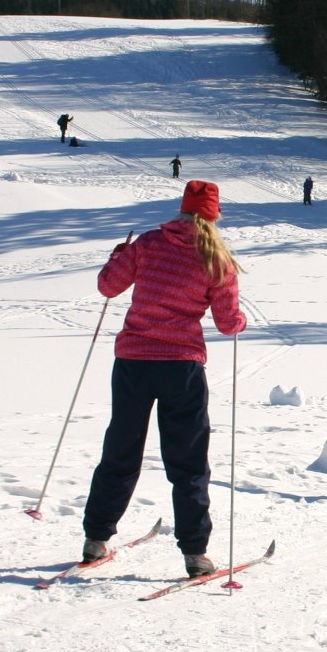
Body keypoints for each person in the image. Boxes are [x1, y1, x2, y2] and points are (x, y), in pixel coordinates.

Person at [81, 180, 246, 578]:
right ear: (214, 215)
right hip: (181, 367)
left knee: (121, 449)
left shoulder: (148, 244)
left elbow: (108, 286)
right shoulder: (216, 259)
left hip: (133, 363)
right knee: (188, 462)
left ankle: (96, 537)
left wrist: (118, 255)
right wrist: (240, 320)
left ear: (182, 209)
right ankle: (195, 553)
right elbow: (228, 323)